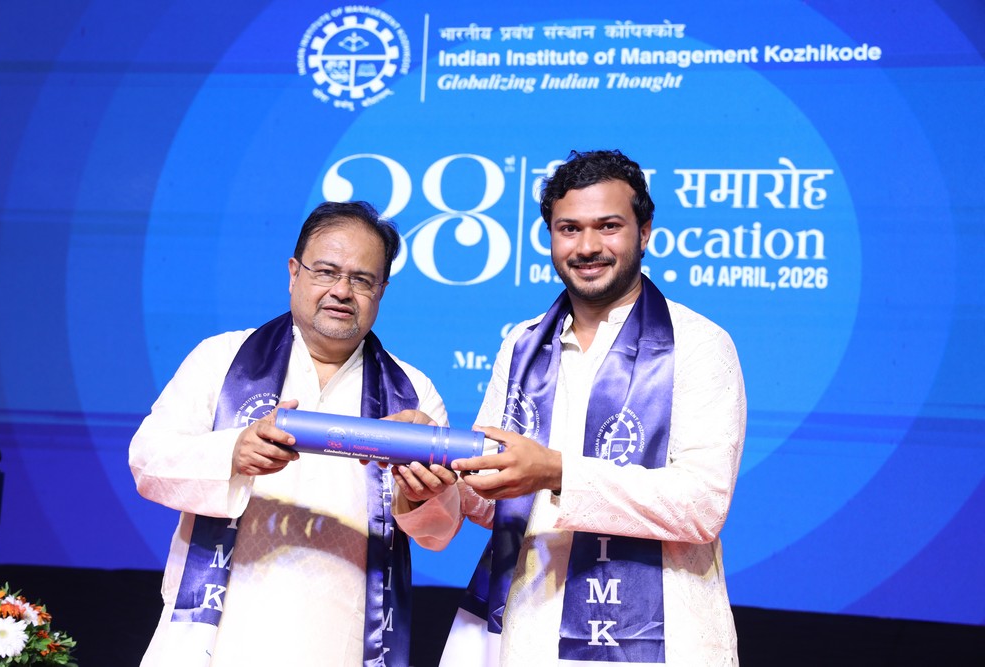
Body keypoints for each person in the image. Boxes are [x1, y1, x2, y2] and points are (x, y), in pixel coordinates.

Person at [440, 150, 747, 665]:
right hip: (531, 634)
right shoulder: (522, 345)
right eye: (569, 229)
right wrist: (434, 473)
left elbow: (703, 506)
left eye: (608, 226)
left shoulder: (699, 344)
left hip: (666, 643)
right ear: (550, 237)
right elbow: (496, 498)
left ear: (644, 233)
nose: (587, 247)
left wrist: (557, 472)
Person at [130, 201, 460, 666]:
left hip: (341, 637)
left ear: (382, 291)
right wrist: (233, 451)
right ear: (293, 273)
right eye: (326, 272)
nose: (341, 291)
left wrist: (420, 495)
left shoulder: (413, 393)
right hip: (218, 634)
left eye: (362, 280)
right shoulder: (222, 358)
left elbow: (439, 533)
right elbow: (147, 462)